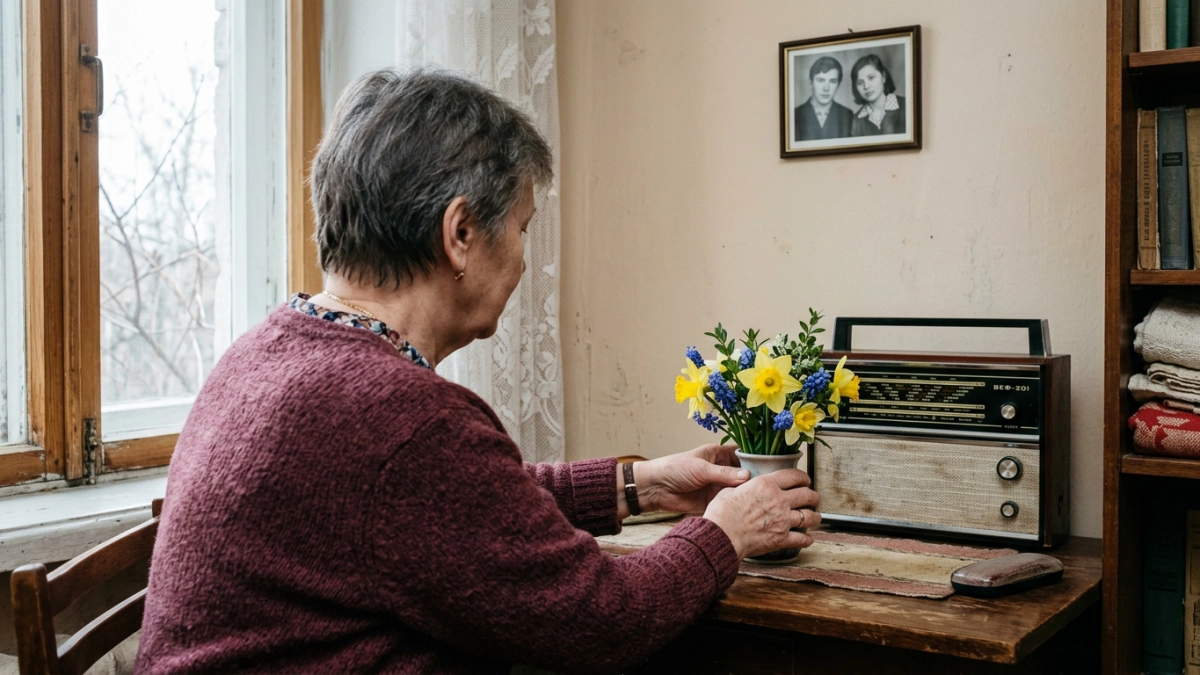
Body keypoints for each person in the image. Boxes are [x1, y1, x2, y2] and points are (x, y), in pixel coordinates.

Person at [134, 69, 821, 674]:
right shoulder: (403, 419)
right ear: (460, 233)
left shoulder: (268, 351)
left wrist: (639, 484)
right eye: (522, 227)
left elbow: (453, 508)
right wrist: (725, 532)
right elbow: (604, 620)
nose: (523, 260)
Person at [794, 55, 854, 141]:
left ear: (838, 85)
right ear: (810, 83)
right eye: (821, 80)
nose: (826, 88)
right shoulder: (795, 115)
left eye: (833, 81)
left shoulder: (847, 115)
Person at [849, 53, 907, 137]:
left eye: (871, 78)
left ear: (883, 77)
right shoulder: (856, 121)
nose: (866, 86)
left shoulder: (907, 106)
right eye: (860, 82)